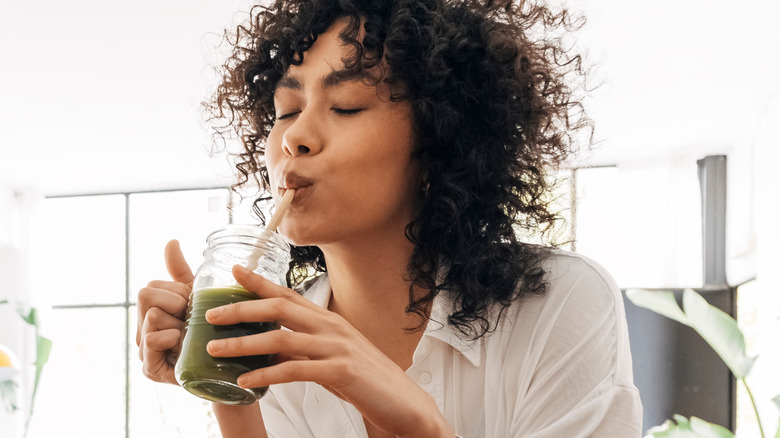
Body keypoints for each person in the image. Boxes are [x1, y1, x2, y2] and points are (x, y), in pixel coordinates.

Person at [136, 0, 643, 436]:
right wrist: (228, 385)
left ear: (436, 142)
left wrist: (421, 425)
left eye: (347, 106)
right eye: (287, 110)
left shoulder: (558, 302)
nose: (295, 138)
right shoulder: (276, 340)